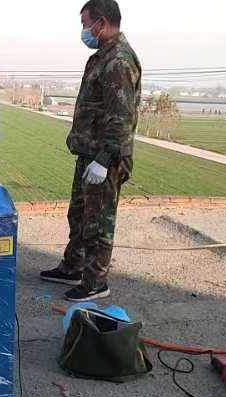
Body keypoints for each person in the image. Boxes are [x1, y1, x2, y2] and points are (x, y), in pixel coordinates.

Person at [40, 0, 141, 302]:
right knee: (79, 215)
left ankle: (96, 282)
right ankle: (73, 266)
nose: (84, 30)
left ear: (102, 22)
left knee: (98, 222)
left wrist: (104, 159)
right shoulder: (103, 56)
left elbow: (121, 117)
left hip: (105, 158)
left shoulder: (118, 61)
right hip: (90, 153)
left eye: (86, 24)